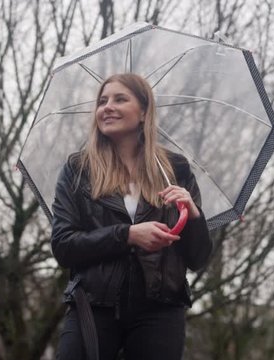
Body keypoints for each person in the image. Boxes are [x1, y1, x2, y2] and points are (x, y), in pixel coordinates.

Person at [52, 73, 213, 360]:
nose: (107, 107)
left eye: (120, 99)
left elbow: (198, 258)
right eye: (102, 101)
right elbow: (64, 246)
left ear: (143, 113)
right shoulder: (78, 169)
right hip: (93, 303)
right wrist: (127, 235)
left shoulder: (176, 169)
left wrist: (194, 215)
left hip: (160, 307)